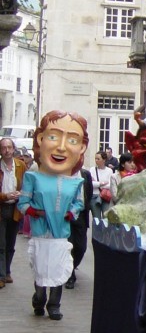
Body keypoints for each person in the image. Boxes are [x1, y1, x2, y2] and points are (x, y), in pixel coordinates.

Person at [17, 110, 88, 320]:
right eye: (53, 136)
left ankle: (54, 305)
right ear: (40, 139)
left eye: (72, 139)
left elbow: (78, 204)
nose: (61, 146)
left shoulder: (76, 181)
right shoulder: (33, 177)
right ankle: (39, 300)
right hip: (41, 233)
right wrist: (34, 212)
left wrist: (70, 214)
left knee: (59, 269)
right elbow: (23, 203)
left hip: (61, 235)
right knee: (41, 269)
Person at [0, 138, 26, 288]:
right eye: (4, 148)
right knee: (1, 244)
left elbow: (27, 185)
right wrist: (5, 196)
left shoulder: (20, 165)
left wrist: (21, 193)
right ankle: (1, 276)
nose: (7, 151)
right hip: (1, 208)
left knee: (11, 243)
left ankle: (7, 271)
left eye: (9, 147)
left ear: (13, 149)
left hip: (15, 208)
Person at [66, 168, 93, 289]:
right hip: (65, 215)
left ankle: (70, 267)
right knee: (68, 246)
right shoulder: (63, 172)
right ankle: (70, 275)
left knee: (81, 247)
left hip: (81, 215)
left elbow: (89, 193)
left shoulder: (85, 174)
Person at [89, 151, 113, 220]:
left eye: (98, 159)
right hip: (94, 196)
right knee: (96, 218)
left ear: (104, 160)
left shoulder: (109, 171)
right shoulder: (92, 170)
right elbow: (91, 184)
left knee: (106, 217)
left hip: (105, 196)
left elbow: (110, 184)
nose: (96, 160)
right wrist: (101, 183)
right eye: (95, 158)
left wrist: (97, 183)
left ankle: (105, 231)